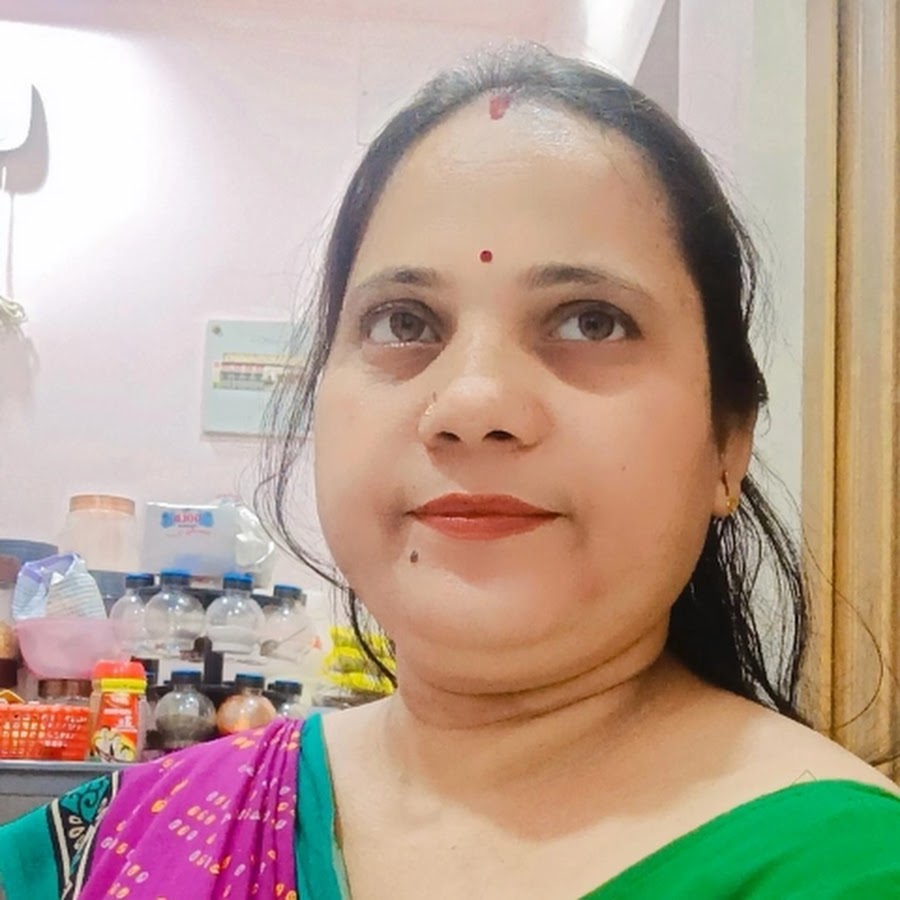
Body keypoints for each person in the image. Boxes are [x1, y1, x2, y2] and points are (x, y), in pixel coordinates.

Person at [2, 42, 900, 900]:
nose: (471, 403)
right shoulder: (114, 845)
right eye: (404, 323)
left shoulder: (846, 872)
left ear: (729, 441)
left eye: (590, 321)